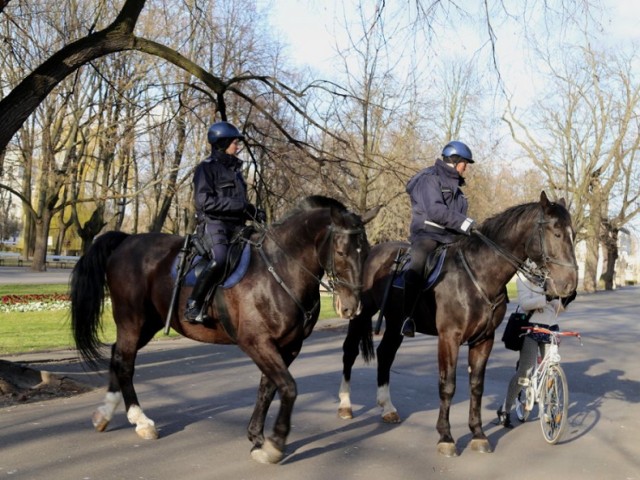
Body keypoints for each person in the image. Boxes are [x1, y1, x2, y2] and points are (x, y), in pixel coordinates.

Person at [183, 120, 265, 324]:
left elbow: (240, 204)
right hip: (214, 224)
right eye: (234, 142)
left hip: (237, 227)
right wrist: (241, 207)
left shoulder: (236, 172)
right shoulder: (206, 169)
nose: (237, 146)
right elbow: (204, 202)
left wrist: (253, 211)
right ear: (222, 143)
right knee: (219, 258)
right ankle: (194, 304)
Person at [401, 140, 476, 337]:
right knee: (417, 264)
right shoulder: (430, 179)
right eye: (465, 164)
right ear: (455, 160)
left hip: (452, 238)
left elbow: (457, 219)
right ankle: (407, 317)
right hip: (428, 234)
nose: (466, 168)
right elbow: (435, 211)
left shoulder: (458, 190)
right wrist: (466, 223)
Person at [496, 267, 577, 427]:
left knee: (552, 368)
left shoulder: (550, 280)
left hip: (550, 328)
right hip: (530, 329)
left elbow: (555, 309)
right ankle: (505, 408)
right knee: (525, 371)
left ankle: (551, 409)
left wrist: (566, 300)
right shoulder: (524, 281)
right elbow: (525, 304)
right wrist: (546, 298)